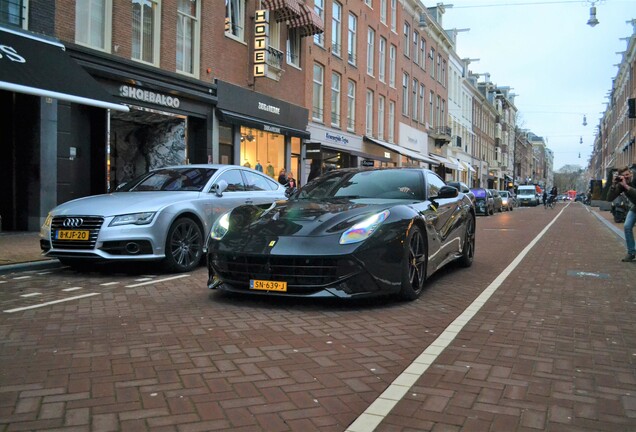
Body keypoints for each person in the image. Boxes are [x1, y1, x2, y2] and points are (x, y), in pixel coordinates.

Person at [607, 166, 636, 262]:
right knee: (627, 226)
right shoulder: (621, 184)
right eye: (623, 176)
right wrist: (613, 185)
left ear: (631, 173)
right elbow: (609, 198)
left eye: (627, 175)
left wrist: (626, 186)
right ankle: (631, 252)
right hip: (635, 207)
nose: (626, 177)